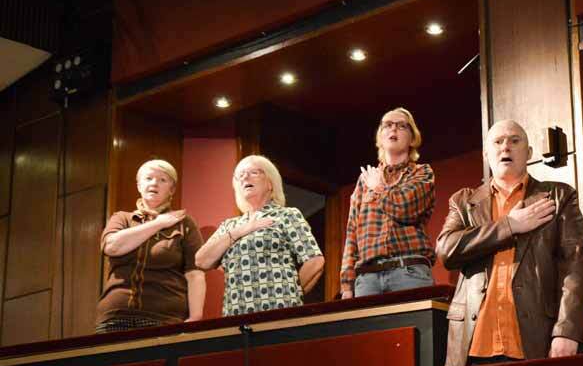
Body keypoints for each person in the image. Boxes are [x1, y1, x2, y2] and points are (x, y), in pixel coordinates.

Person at [437, 120, 583, 366]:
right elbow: (446, 250)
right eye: (497, 142)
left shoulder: (559, 196)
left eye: (514, 140)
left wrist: (568, 331)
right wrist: (509, 226)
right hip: (474, 347)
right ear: (487, 154)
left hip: (536, 343)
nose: (505, 147)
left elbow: (576, 267)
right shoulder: (463, 201)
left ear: (529, 153)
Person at [195, 155, 324, 316]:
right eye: (240, 175)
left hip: (279, 313)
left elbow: (315, 261)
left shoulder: (286, 215)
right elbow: (201, 260)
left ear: (270, 183)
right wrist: (243, 230)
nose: (245, 177)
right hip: (236, 316)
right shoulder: (230, 226)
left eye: (254, 172)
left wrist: (291, 295)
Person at [96, 159, 204, 332]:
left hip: (165, 318)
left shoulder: (184, 223)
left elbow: (195, 273)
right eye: (149, 178)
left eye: (163, 179)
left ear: (172, 189)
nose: (154, 183)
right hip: (115, 316)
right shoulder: (122, 218)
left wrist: (195, 318)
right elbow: (111, 247)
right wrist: (157, 224)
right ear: (139, 185)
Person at [340, 107, 436, 298]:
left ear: (412, 138)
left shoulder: (422, 173)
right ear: (380, 136)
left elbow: (405, 209)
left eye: (401, 126)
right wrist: (346, 285)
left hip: (409, 272)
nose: (394, 130)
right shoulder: (365, 180)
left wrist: (379, 189)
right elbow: (352, 232)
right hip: (367, 279)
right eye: (388, 125)